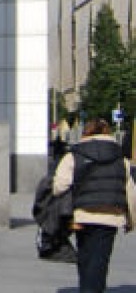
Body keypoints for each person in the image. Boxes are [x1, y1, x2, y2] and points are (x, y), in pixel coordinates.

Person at [52, 117, 136, 293]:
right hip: (110, 217)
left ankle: (88, 289)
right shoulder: (122, 160)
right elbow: (130, 193)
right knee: (99, 261)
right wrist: (131, 220)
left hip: (82, 215)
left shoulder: (74, 155)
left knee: (85, 257)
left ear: (86, 132)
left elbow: (59, 186)